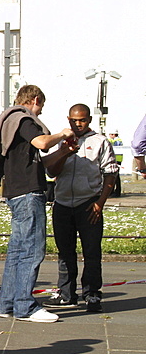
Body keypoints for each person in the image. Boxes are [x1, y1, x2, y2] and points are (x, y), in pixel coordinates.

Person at [0, 85, 74, 323]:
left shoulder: (10, 121)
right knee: (32, 250)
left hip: (16, 191)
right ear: (36, 100)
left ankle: (8, 304)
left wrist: (65, 153)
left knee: (18, 251)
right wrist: (63, 134)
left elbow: (41, 161)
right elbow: (42, 143)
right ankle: (25, 306)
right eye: (41, 106)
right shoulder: (24, 120)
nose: (40, 112)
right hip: (29, 193)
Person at [43, 104, 118, 313]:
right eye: (74, 120)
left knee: (91, 252)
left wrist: (100, 203)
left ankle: (92, 294)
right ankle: (67, 295)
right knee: (65, 252)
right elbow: (52, 172)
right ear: (68, 120)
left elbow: (110, 175)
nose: (78, 124)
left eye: (82, 120)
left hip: (88, 204)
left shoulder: (100, 142)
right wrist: (65, 153)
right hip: (63, 204)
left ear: (89, 120)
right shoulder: (62, 141)